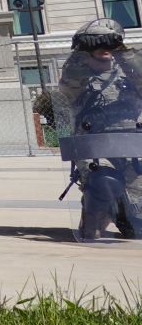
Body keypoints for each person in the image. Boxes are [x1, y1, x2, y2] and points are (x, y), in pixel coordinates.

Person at [54, 18, 142, 240]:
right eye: (97, 43)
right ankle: (91, 227)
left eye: (109, 43)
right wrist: (83, 48)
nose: (104, 48)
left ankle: (125, 216)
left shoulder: (129, 72)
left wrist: (121, 49)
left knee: (137, 227)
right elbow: (67, 87)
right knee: (103, 182)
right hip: (95, 148)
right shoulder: (79, 76)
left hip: (133, 149)